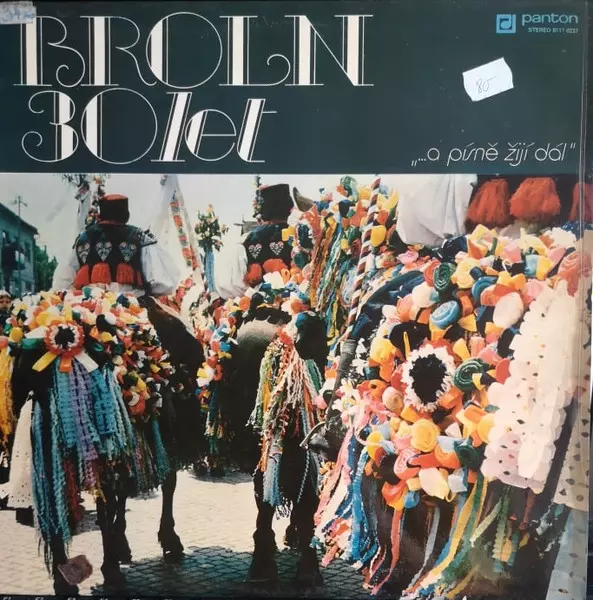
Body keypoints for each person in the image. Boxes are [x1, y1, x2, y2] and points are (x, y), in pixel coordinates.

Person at [52, 193, 179, 298]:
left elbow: (62, 282)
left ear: (101, 214)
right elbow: (162, 283)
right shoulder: (140, 237)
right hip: (133, 308)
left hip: (89, 307)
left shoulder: (83, 238)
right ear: (126, 215)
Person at [213, 183, 297, 301]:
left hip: (258, 307)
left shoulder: (244, 241)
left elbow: (228, 285)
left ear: (263, 213)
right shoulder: (300, 233)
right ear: (289, 209)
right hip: (300, 303)